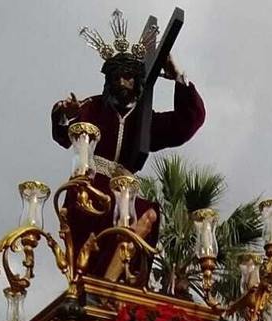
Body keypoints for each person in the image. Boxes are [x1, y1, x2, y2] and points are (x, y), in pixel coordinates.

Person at [52, 12, 205, 279]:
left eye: (129, 77)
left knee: (148, 213)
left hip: (125, 195)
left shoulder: (146, 121)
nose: (123, 83)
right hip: (90, 189)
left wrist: (178, 76)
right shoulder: (93, 106)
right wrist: (65, 113)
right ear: (108, 82)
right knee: (98, 228)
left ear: (138, 82)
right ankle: (93, 285)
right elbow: (64, 135)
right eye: (118, 77)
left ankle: (119, 287)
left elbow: (188, 122)